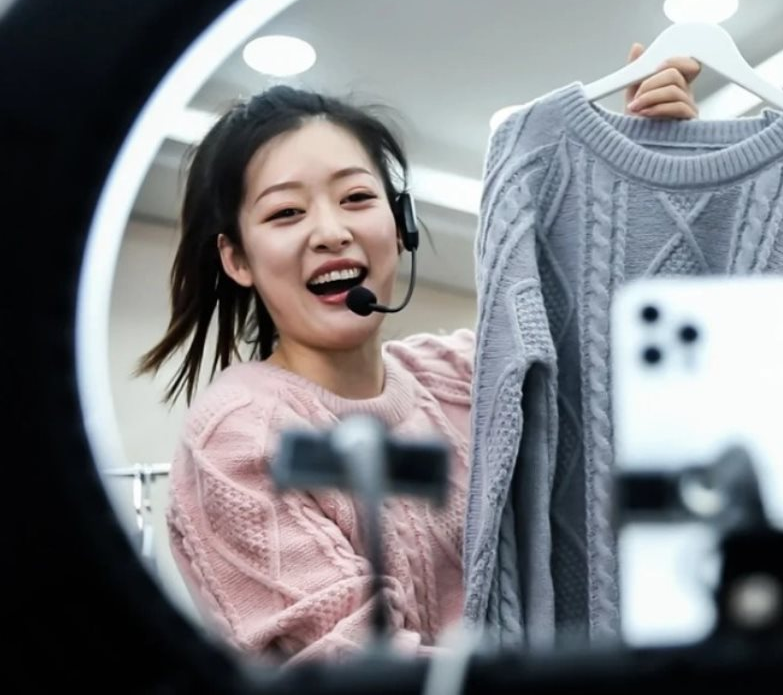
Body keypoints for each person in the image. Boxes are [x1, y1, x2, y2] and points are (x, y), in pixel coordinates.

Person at [136, 45, 702, 665]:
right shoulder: (238, 434)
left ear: (400, 222)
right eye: (287, 212)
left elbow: (624, 359)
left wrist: (655, 170)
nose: (331, 232)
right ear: (237, 258)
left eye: (356, 198)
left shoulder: (465, 374)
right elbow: (363, 668)